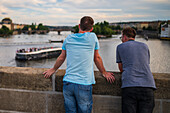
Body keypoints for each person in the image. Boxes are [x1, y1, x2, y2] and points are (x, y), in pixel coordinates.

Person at [43, 16, 115, 113]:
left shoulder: (68, 38)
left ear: (79, 25)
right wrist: (104, 72)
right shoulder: (93, 37)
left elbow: (61, 57)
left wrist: (53, 69)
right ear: (92, 28)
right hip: (84, 83)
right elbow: (96, 57)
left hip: (68, 82)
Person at [116, 27, 156, 113]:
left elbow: (121, 68)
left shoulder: (120, 47)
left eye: (121, 37)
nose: (122, 40)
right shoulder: (145, 46)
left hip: (129, 85)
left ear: (125, 37)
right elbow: (145, 64)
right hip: (148, 85)